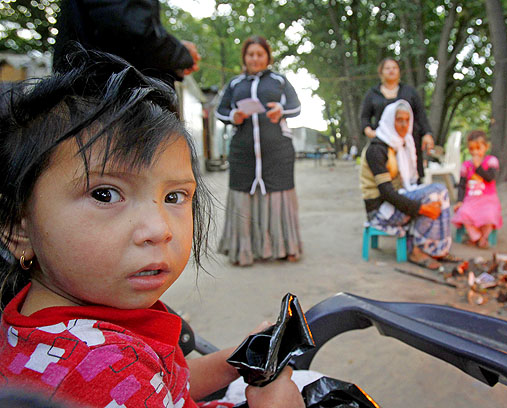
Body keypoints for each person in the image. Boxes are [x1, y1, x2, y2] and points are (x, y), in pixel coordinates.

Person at [0, 50, 305, 408]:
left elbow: (168, 384)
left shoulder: (72, 321)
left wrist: (236, 360)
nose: (159, 229)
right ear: (18, 227)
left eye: (175, 196)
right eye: (105, 193)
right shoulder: (96, 369)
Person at [215, 36, 302, 266]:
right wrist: (234, 115)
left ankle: (287, 247)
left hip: (277, 152)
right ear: (244, 57)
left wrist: (281, 110)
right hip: (243, 153)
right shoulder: (235, 84)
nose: (255, 58)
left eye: (259, 54)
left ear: (267, 57)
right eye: (250, 54)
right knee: (243, 196)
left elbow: (296, 106)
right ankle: (242, 250)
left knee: (279, 197)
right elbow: (220, 110)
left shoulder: (279, 81)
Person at [360, 100, 457, 270]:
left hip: (396, 200)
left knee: (439, 193)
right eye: (399, 120)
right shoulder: (377, 149)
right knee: (436, 192)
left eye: (407, 120)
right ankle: (418, 250)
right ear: (390, 120)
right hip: (380, 210)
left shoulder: (402, 145)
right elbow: (387, 193)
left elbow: (412, 182)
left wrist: (420, 203)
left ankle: (437, 249)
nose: (404, 125)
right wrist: (420, 208)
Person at [52, 0, 200, 87]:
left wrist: (174, 62)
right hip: (105, 102)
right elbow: (131, 29)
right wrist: (182, 55)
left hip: (99, 97)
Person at [360, 58, 435, 182]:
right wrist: (370, 132)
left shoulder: (409, 91)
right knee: (388, 179)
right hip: (384, 144)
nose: (391, 71)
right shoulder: (372, 94)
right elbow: (365, 117)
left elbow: (421, 115)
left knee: (413, 178)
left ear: (399, 71)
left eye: (394, 68)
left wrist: (427, 134)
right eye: (387, 68)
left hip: (409, 142)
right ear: (381, 72)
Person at [452, 130, 503, 248]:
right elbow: (462, 185)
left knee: (490, 215)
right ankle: (477, 237)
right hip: (471, 200)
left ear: (486, 147)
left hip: (488, 199)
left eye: (478, 148)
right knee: (463, 213)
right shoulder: (466, 166)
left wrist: (478, 167)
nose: (475, 152)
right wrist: (460, 201)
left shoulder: (491, 161)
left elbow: (490, 178)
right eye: (471, 149)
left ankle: (484, 237)